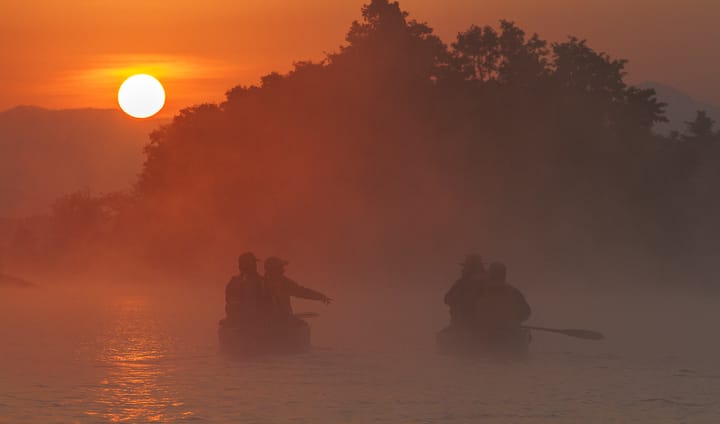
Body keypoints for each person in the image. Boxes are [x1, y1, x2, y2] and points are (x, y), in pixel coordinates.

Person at [263, 256, 332, 323]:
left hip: (268, 322)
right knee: (303, 326)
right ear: (275, 270)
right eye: (281, 268)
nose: (283, 270)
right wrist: (320, 296)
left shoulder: (262, 282)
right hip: (283, 322)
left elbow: (301, 291)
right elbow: (301, 292)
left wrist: (319, 296)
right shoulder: (283, 283)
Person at [474, 261, 531, 332]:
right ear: (504, 275)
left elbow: (472, 312)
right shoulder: (514, 292)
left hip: (485, 335)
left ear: (490, 274)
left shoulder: (480, 291)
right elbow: (526, 312)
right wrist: (514, 322)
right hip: (509, 335)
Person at [223, 252, 273, 328]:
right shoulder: (261, 281)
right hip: (254, 325)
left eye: (254, 264)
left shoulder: (234, 282)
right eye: (253, 264)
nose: (255, 266)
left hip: (247, 324)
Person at [444, 254, 486, 329]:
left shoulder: (463, 282)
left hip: (464, 323)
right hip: (485, 323)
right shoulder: (490, 280)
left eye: (465, 267)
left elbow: (447, 299)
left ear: (469, 267)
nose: (463, 269)